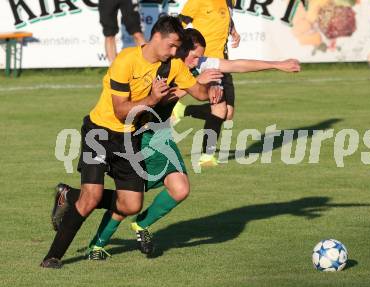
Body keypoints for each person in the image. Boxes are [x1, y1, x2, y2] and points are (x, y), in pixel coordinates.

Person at [52, 28, 300, 260]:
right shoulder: (163, 66)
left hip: (161, 135)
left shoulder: (195, 64)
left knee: (179, 188)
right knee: (128, 199)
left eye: (200, 58)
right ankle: (96, 240)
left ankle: (142, 224)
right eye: (194, 57)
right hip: (138, 134)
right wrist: (195, 84)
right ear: (181, 50)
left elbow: (236, 64)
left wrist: (277, 65)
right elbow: (151, 104)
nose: (197, 62)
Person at [40, 16, 218, 269]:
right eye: (172, 45)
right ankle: (53, 256)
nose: (175, 51)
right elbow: (122, 111)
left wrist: (209, 89)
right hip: (100, 132)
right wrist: (154, 99)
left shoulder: (175, 65)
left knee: (132, 203)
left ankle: (69, 196)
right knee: (92, 197)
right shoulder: (126, 60)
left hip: (128, 139)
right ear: (157, 37)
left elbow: (197, 91)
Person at [176, 0, 241, 167]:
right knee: (220, 109)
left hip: (221, 61)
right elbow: (178, 25)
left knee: (227, 114)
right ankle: (207, 156)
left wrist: (233, 30)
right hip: (204, 63)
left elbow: (225, 18)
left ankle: (182, 110)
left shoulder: (230, 1)